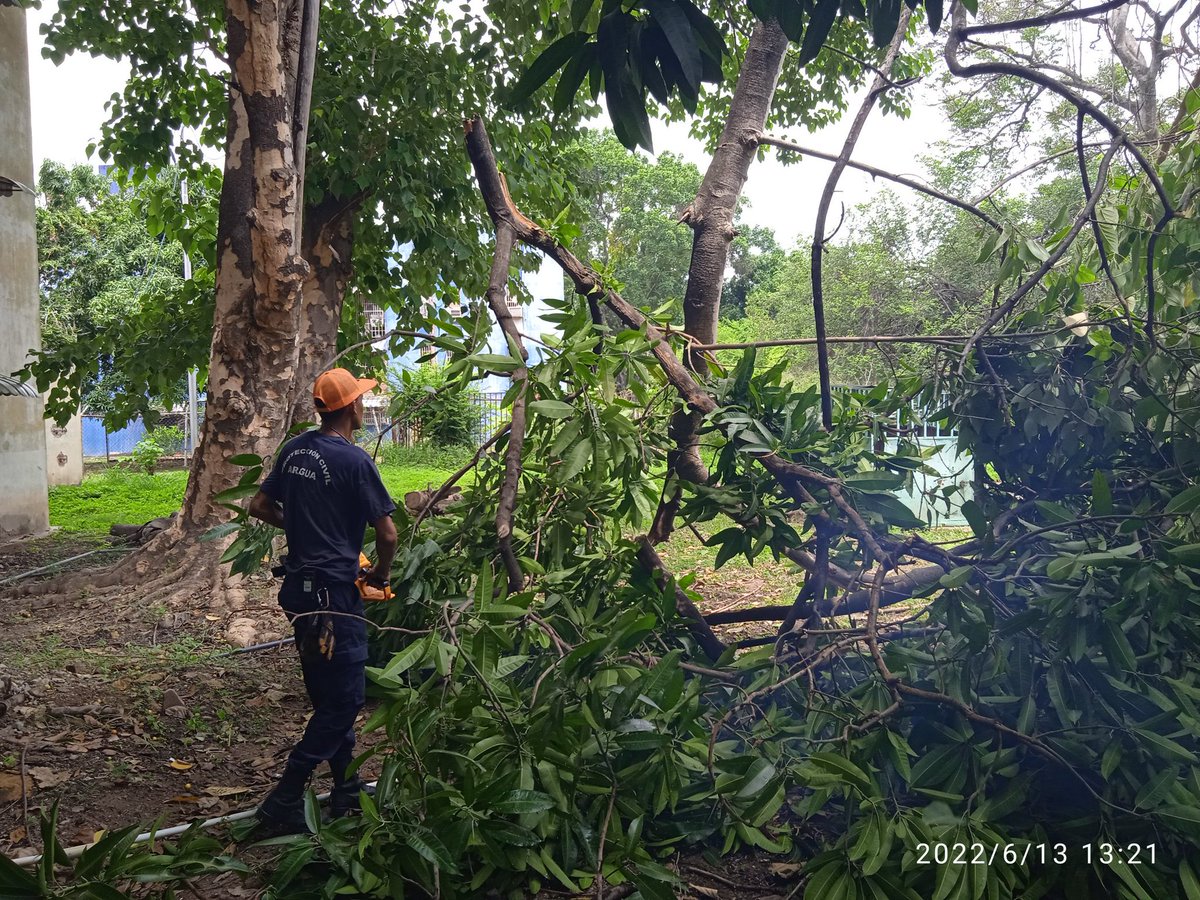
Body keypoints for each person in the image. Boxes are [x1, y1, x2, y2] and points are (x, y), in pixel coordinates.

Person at [247, 367, 398, 832]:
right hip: (335, 596)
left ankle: (346, 789)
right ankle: (284, 799)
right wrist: (379, 573)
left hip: (300, 591)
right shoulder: (355, 461)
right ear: (353, 407)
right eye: (361, 399)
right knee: (346, 701)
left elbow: (259, 506)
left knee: (328, 694)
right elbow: (388, 535)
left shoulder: (295, 450)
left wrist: (300, 530)